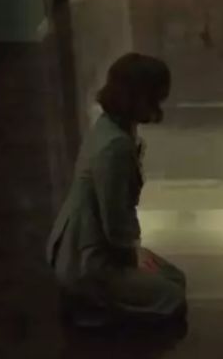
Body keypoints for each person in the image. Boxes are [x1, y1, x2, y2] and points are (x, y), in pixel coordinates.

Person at [46, 53, 187, 327]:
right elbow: (115, 223)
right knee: (172, 297)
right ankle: (92, 307)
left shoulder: (109, 126)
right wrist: (134, 256)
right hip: (87, 262)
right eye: (154, 98)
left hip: (84, 248)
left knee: (174, 278)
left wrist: (136, 253)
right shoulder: (115, 148)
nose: (157, 107)